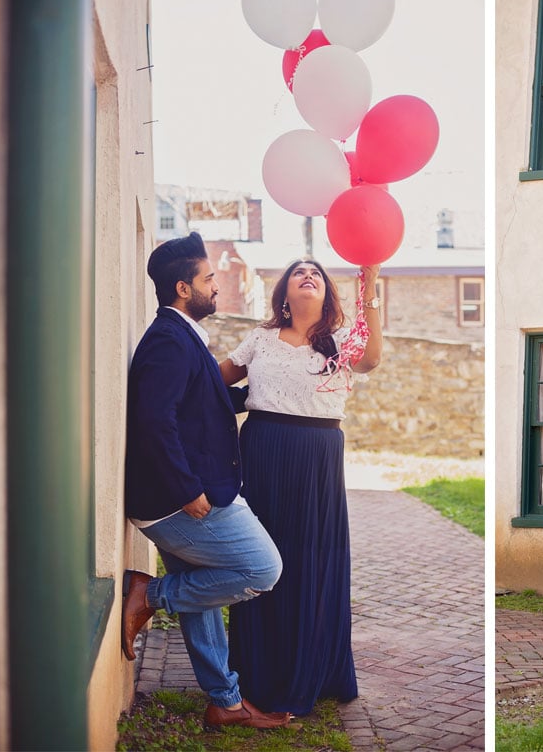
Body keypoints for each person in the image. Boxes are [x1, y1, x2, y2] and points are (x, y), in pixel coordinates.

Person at [123, 232, 290, 729]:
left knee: (201, 595)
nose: (216, 287)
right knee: (263, 570)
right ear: (182, 288)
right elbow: (156, 420)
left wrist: (263, 393)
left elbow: (197, 408)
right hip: (178, 502)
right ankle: (148, 595)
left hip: (177, 496)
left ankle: (225, 701)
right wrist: (187, 489)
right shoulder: (169, 342)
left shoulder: (183, 338)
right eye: (208, 279)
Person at [221, 258, 383, 716]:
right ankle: (258, 670)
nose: (308, 275)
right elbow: (216, 381)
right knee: (265, 554)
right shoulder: (261, 338)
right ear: (284, 294)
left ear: (327, 290)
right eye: (298, 272)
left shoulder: (339, 340)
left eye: (316, 272)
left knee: (311, 556)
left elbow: (371, 359)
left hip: (318, 455)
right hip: (265, 451)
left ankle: (310, 666)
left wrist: (369, 288)